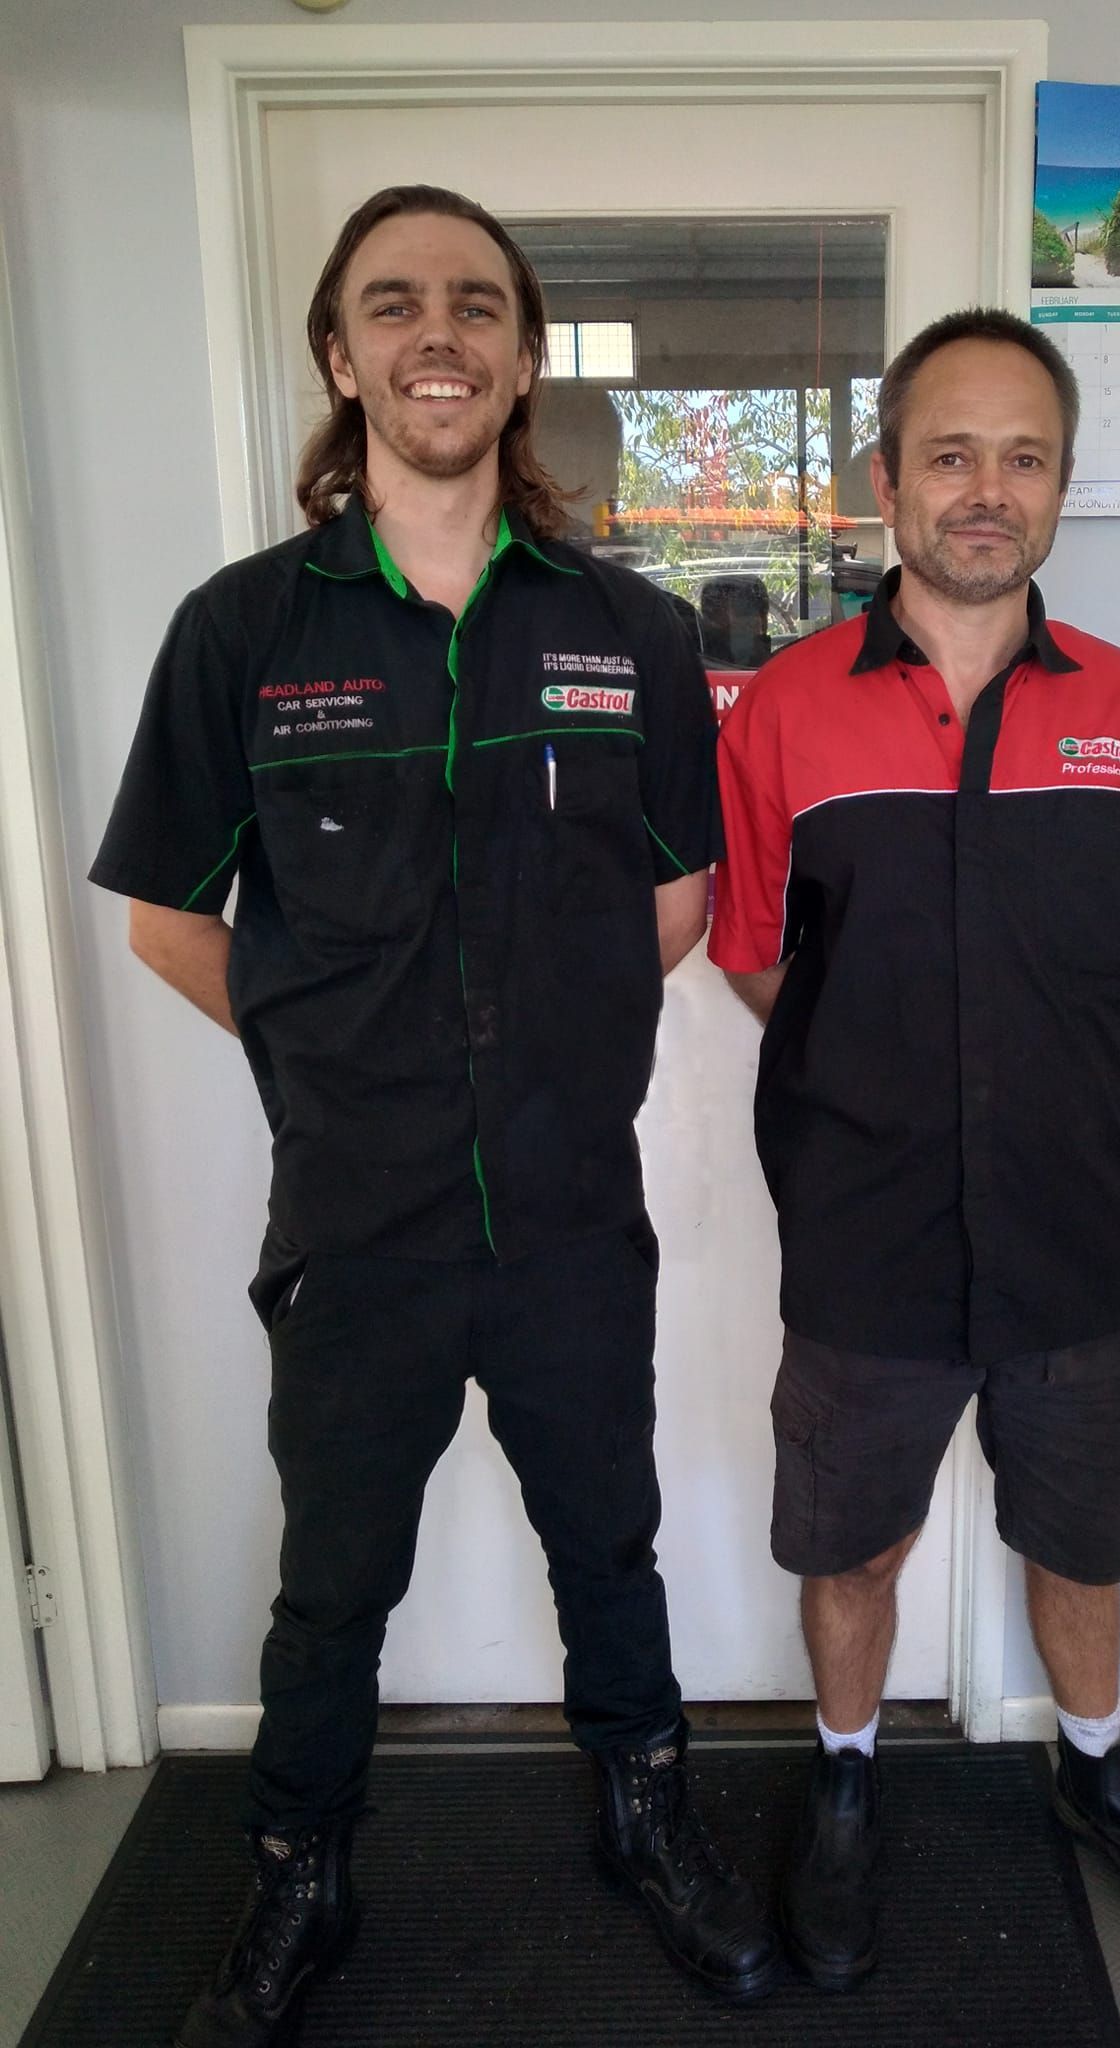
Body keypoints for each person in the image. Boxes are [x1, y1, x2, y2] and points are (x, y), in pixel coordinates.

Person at [91, 185, 780, 2046]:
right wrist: (339, 1063)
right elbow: (172, 921)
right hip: (358, 1223)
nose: (438, 334)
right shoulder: (244, 632)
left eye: (477, 304)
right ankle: (298, 1876)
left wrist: (541, 1055)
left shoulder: (627, 630)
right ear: (342, 356)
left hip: (567, 1212)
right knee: (332, 1587)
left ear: (524, 357)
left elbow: (674, 902)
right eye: (393, 305)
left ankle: (648, 1820)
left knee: (608, 1542)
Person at [709, 307, 1120, 1989]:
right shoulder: (783, 716)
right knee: (853, 1548)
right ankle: (846, 1776)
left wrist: (1045, 1073)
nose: (987, 489)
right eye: (950, 454)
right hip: (865, 1241)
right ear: (887, 481)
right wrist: (883, 1078)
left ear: (1061, 486)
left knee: (1079, 1546)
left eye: (1025, 458)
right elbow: (753, 955)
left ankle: (1097, 1769)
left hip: (1077, 1240)